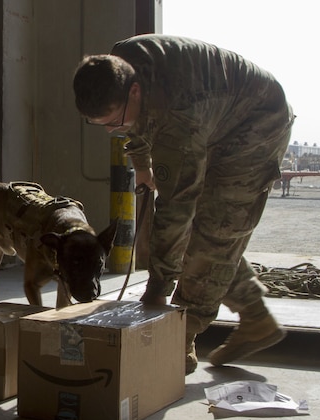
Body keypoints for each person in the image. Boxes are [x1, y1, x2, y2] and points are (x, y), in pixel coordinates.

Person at [73, 34, 295, 375]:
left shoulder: (179, 114)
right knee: (205, 231)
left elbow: (176, 210)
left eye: (113, 122)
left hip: (256, 122)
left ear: (134, 91)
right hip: (214, 117)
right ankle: (256, 317)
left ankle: (179, 337)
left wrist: (157, 292)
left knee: (216, 231)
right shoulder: (117, 65)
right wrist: (142, 162)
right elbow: (136, 123)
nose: (109, 131)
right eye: (99, 125)